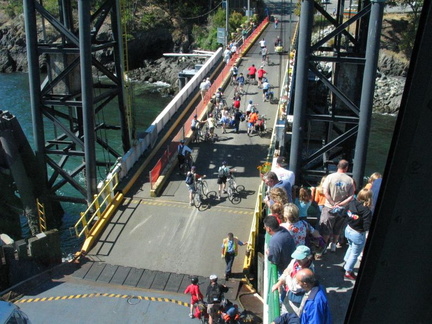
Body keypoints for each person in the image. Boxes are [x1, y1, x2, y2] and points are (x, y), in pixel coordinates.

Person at [319, 159, 355, 252]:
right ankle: (334, 245)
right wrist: (341, 204)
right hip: (342, 208)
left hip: (329, 207)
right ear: (346, 168)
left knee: (326, 227)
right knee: (338, 227)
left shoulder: (330, 177)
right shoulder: (350, 180)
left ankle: (324, 247)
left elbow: (325, 192)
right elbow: (351, 196)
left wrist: (332, 203)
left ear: (338, 166)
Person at [272, 245, 315, 316]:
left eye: (300, 258)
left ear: (308, 258)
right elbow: (286, 271)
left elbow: (294, 288)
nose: (297, 260)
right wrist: (279, 282)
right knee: (284, 311)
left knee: (293, 317)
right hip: (287, 292)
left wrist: (287, 275)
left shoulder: (308, 272)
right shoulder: (295, 261)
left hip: (297, 300)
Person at [343, 188, 372, 280]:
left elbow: (344, 214)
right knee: (355, 253)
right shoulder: (366, 211)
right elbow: (367, 225)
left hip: (348, 229)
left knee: (350, 247)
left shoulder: (351, 203)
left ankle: (346, 262)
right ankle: (348, 271)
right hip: (357, 233)